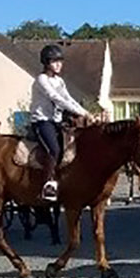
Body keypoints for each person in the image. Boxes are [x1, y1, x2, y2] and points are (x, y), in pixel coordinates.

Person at [31, 44, 92, 201]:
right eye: (54, 61)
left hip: (57, 122)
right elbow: (55, 98)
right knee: (54, 150)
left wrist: (86, 113)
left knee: (72, 148)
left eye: (60, 61)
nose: (59, 64)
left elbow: (68, 99)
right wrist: (82, 113)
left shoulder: (60, 81)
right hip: (42, 121)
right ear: (46, 63)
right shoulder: (41, 80)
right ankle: (47, 186)